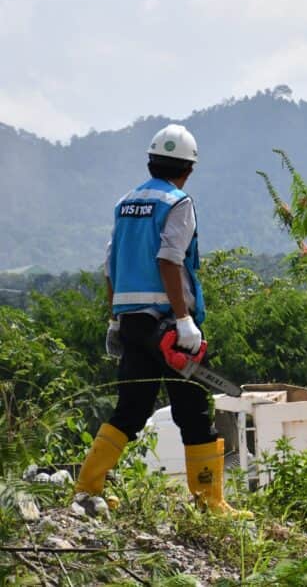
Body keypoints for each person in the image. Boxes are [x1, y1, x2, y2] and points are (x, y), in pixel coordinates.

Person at [73, 124, 245, 518]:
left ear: (151, 162)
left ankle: (87, 487)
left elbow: (110, 265)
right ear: (189, 169)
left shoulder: (126, 203)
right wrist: (183, 320)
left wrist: (116, 318)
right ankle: (210, 501)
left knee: (131, 410)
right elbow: (169, 259)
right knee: (195, 412)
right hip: (167, 325)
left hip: (132, 322)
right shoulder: (177, 202)